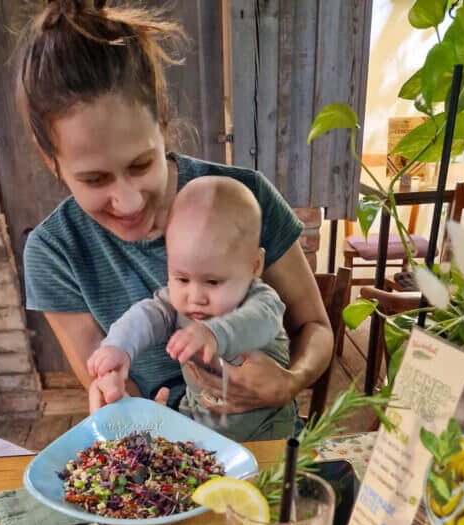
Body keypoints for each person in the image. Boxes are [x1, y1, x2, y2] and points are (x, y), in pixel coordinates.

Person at [17, 0, 332, 417]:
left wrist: (288, 382)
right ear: (48, 157)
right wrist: (122, 403)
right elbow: (110, 374)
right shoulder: (54, 252)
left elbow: (316, 328)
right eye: (95, 180)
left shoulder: (244, 198)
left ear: (162, 120)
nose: (128, 202)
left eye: (140, 164)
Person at [87, 176, 297, 441]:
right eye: (182, 278)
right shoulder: (177, 304)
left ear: (254, 266)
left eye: (212, 281)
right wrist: (119, 346)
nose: (195, 297)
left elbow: (259, 321)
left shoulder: (261, 301)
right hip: (197, 427)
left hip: (266, 435)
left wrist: (214, 332)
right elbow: (148, 314)